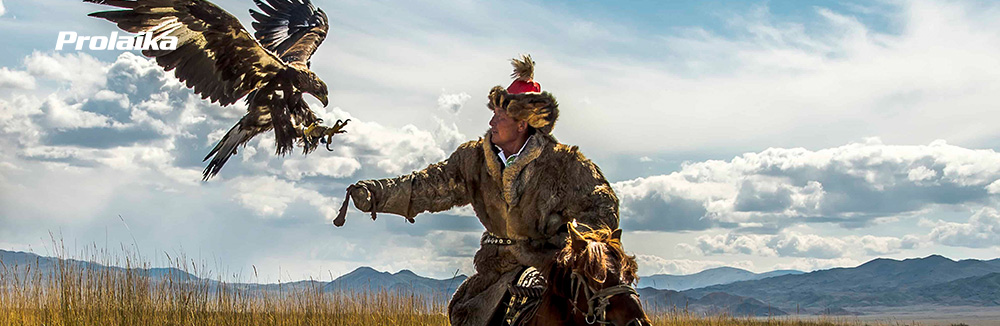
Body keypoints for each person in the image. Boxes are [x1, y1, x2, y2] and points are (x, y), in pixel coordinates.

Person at [338, 55, 620, 326]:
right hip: (497, 271)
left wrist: (574, 245)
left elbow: (603, 204)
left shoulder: (565, 164)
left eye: (500, 115)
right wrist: (377, 194)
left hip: (553, 269)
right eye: (494, 114)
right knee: (473, 315)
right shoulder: (473, 160)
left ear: (522, 123)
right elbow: (429, 185)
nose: (491, 122)